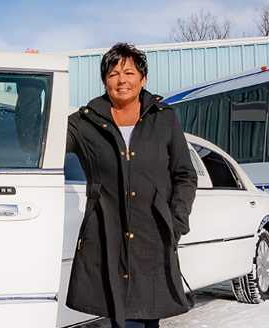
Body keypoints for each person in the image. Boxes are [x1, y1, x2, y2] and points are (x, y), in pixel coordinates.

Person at [65, 43, 198, 328]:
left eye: (129, 72)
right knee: (124, 320)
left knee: (147, 320)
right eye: (113, 74)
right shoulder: (85, 123)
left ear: (143, 79)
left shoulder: (164, 118)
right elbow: (40, 139)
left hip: (153, 238)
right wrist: (30, 90)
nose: (121, 80)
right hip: (108, 237)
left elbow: (185, 174)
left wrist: (176, 223)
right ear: (105, 81)